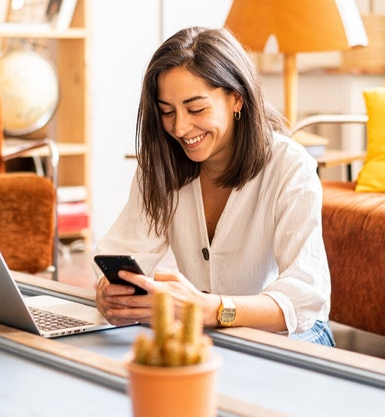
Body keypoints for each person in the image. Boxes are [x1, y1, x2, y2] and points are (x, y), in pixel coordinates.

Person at [93, 26, 334, 346]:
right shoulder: (161, 167)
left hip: (292, 334)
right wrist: (109, 296)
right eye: (168, 112)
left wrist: (212, 309)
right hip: (210, 334)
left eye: (196, 109)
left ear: (237, 98)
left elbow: (303, 301)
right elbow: (119, 253)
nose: (179, 127)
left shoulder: (290, 167)